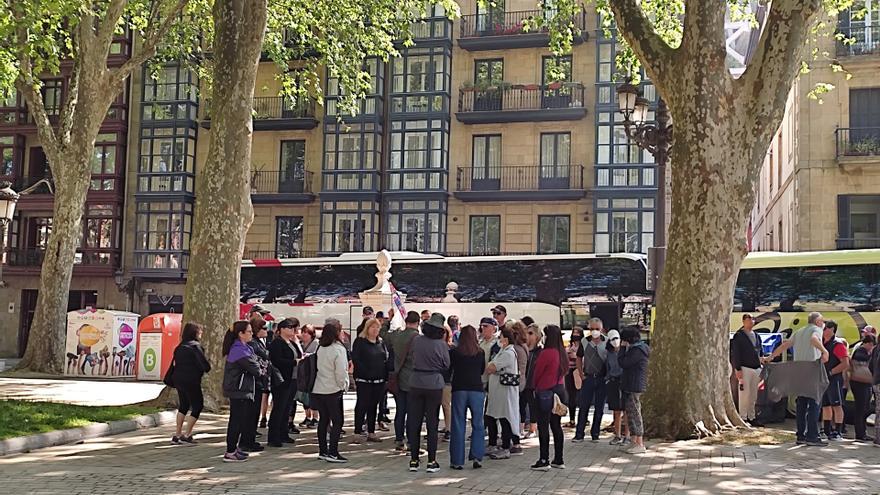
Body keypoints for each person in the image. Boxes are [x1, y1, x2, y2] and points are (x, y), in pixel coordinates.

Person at [764, 311, 830, 446]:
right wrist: (825, 351)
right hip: (812, 369)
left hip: (798, 370)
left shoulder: (799, 331)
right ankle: (812, 436)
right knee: (814, 403)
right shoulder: (816, 329)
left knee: (801, 404)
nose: (823, 324)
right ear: (818, 322)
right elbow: (813, 339)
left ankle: (800, 435)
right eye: (822, 322)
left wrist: (770, 357)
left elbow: (785, 345)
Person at [407, 313, 451, 473]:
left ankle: (414, 460)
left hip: (416, 381)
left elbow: (412, 357)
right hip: (434, 383)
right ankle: (432, 461)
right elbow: (446, 364)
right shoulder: (441, 345)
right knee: (432, 424)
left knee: (415, 422)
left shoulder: (417, 340)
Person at [222, 321, 264, 462]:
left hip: (242, 389)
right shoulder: (239, 350)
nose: (252, 334)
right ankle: (230, 451)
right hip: (238, 389)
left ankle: (234, 448)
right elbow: (256, 369)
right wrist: (259, 365)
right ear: (241, 334)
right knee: (236, 421)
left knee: (239, 420)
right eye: (249, 332)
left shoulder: (244, 348)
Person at [312, 318, 350, 463]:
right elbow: (340, 372)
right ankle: (333, 452)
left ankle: (323, 450)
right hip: (333, 389)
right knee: (337, 421)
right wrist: (343, 385)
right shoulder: (338, 349)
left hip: (319, 387)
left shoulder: (321, 348)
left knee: (324, 420)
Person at [448, 325, 486, 470]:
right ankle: (477, 456)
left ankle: (457, 460)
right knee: (478, 423)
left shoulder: (455, 352)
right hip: (476, 389)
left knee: (458, 424)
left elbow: (450, 369)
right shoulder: (480, 352)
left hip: (459, 389)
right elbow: (482, 370)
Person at [530, 324, 567, 471]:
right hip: (559, 390)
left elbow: (537, 372)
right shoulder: (561, 352)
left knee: (544, 426)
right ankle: (559, 458)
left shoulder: (547, 353)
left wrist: (535, 387)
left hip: (545, 391)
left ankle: (544, 459)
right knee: (556, 426)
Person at [170, 322, 211, 445]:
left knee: (183, 405)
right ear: (195, 333)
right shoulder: (195, 347)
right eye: (200, 332)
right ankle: (187, 434)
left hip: (178, 379)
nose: (201, 334)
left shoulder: (179, 347)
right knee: (197, 405)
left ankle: (177, 433)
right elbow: (204, 365)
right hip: (191, 380)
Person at [485, 326, 520, 460]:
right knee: (492, 416)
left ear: (505, 339)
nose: (498, 340)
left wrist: (492, 367)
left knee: (505, 417)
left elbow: (491, 367)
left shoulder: (509, 353)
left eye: (500, 337)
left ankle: (506, 447)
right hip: (497, 391)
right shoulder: (503, 351)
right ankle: (493, 443)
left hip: (504, 392)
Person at [352, 317, 388, 443]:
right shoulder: (360, 341)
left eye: (377, 327)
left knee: (373, 406)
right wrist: (365, 371)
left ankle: (371, 432)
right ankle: (357, 432)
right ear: (367, 328)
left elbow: (385, 358)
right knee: (362, 405)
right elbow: (356, 359)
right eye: (373, 327)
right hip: (364, 380)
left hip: (379, 380)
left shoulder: (381, 342)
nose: (375, 330)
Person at [267, 318, 300, 447]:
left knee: (287, 407)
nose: (292, 330)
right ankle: (274, 436)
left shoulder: (291, 342)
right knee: (279, 408)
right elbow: (277, 360)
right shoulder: (277, 343)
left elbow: (298, 354)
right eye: (289, 327)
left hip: (292, 379)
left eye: (293, 328)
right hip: (281, 380)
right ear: (281, 330)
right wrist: (293, 362)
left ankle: (283, 433)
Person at [239, 320, 270, 451]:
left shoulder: (256, 343)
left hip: (258, 381)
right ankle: (246, 442)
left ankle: (249, 439)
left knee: (253, 414)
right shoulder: (252, 344)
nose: (266, 331)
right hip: (253, 383)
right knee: (250, 414)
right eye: (263, 328)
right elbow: (262, 358)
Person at [391, 311, 420, 451]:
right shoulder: (417, 338)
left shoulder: (397, 335)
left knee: (400, 411)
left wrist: (389, 319)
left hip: (398, 377)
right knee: (412, 412)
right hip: (412, 379)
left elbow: (385, 335)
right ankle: (410, 441)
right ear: (418, 322)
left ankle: (398, 438)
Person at [575, 318, 607, 442]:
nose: (594, 331)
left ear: (601, 329)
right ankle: (579, 434)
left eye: (597, 329)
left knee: (599, 408)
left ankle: (595, 434)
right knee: (584, 407)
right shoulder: (584, 341)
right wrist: (581, 373)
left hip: (602, 378)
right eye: (592, 329)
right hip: (588, 377)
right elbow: (578, 357)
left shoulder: (607, 342)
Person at [619, 325, 650, 454]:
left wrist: (621, 348)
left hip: (634, 384)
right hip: (630, 384)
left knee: (635, 413)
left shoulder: (637, 350)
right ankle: (633, 440)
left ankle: (639, 442)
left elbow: (623, 363)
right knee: (630, 414)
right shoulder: (636, 349)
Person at [730, 313, 765, 427]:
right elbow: (736, 353)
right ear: (744, 321)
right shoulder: (739, 336)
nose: (752, 320)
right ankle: (743, 417)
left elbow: (760, 351)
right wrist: (737, 368)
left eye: (753, 319)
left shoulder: (757, 335)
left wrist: (762, 362)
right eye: (749, 318)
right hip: (745, 368)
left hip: (756, 368)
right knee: (744, 394)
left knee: (753, 395)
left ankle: (752, 416)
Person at [820, 321, 849, 441]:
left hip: (834, 379)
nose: (823, 329)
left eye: (825, 328)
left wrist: (831, 372)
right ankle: (826, 431)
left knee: (837, 405)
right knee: (825, 405)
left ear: (832, 329)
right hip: (823, 379)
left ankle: (838, 432)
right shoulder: (821, 343)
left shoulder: (837, 344)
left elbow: (845, 363)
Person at [248, 305, 272, 429]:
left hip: (262, 377)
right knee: (252, 408)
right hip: (255, 379)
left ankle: (262, 418)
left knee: (263, 397)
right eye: (261, 315)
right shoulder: (252, 341)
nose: (264, 318)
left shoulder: (265, 338)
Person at [604, 329, 629, 446]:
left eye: (616, 338)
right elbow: (608, 367)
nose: (615, 341)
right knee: (616, 410)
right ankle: (617, 435)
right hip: (613, 381)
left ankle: (627, 436)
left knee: (626, 409)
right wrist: (608, 379)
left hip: (624, 381)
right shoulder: (609, 353)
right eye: (612, 339)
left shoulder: (626, 351)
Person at [508, 321, 529, 454]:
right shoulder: (524, 347)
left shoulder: (515, 349)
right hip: (522, 381)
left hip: (514, 382)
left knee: (512, 412)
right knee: (518, 410)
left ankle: (514, 439)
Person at [850, 334, 875, 442]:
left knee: (865, 407)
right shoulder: (861, 350)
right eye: (872, 345)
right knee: (861, 408)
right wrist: (871, 355)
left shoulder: (864, 351)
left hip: (864, 383)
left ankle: (862, 432)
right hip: (859, 383)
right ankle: (860, 433)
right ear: (868, 343)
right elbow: (859, 358)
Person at [523, 324, 543, 440]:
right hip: (522, 382)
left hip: (533, 383)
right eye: (527, 332)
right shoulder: (524, 349)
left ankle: (533, 428)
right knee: (522, 406)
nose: (528, 335)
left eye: (531, 333)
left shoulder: (540, 351)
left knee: (533, 406)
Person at [297, 324, 319, 429]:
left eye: (307, 332)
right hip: (302, 373)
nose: (304, 334)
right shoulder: (300, 344)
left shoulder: (316, 344)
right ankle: (307, 416)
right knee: (304, 395)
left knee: (313, 395)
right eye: (303, 332)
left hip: (313, 373)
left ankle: (315, 417)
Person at [564, 327, 583, 427]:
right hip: (569, 371)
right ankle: (572, 419)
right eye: (574, 333)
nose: (575, 335)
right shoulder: (569, 345)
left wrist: (575, 355)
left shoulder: (583, 345)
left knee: (581, 396)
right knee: (571, 396)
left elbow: (583, 358)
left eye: (577, 333)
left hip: (579, 371)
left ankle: (584, 418)